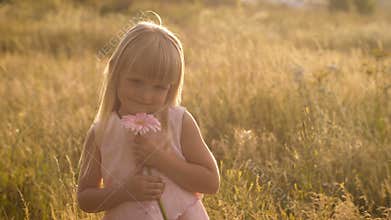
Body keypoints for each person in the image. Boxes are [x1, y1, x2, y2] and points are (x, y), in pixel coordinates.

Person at [77, 19, 220, 220]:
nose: (146, 95)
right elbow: (85, 199)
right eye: (136, 81)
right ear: (115, 72)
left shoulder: (179, 122)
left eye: (159, 87)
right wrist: (125, 191)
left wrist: (160, 159)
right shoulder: (101, 131)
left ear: (171, 87)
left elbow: (211, 182)